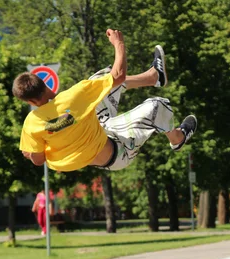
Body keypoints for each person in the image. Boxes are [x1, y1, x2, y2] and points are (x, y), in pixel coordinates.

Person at [14, 29, 197, 172]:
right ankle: (177, 138)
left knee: (100, 80)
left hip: (99, 132)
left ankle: (154, 76)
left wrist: (31, 153)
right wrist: (119, 43)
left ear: (29, 102)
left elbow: (38, 160)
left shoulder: (31, 124)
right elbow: (118, 75)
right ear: (46, 85)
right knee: (157, 106)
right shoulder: (75, 96)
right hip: (119, 151)